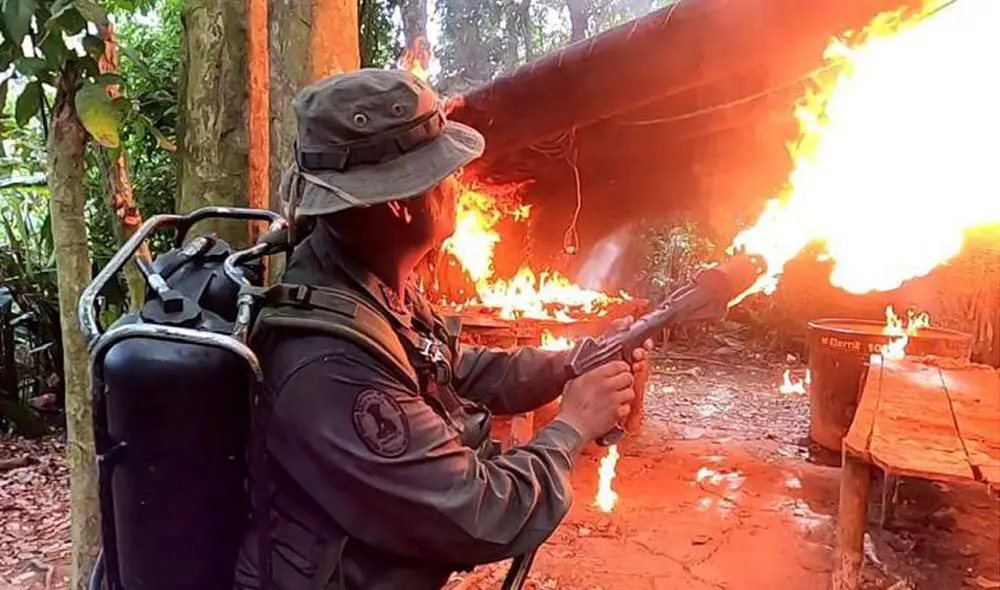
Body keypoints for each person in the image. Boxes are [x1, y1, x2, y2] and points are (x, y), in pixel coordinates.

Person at [233, 69, 651, 590]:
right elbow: (479, 511)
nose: (458, 182)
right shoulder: (330, 367)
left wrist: (572, 361)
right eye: (444, 172)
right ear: (398, 204)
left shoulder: (364, 281)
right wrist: (572, 426)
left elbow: (451, 364)